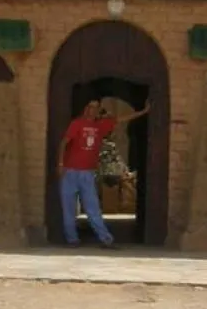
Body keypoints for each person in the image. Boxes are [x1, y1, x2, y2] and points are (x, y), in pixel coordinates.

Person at [57, 98, 151, 248]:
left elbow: (121, 119)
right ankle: (72, 240)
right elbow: (64, 142)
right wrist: (61, 164)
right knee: (68, 207)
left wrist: (144, 112)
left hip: (87, 173)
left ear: (98, 111)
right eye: (89, 106)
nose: (91, 110)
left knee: (92, 207)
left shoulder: (100, 126)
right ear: (85, 108)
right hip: (70, 172)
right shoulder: (77, 124)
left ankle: (106, 239)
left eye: (95, 107)